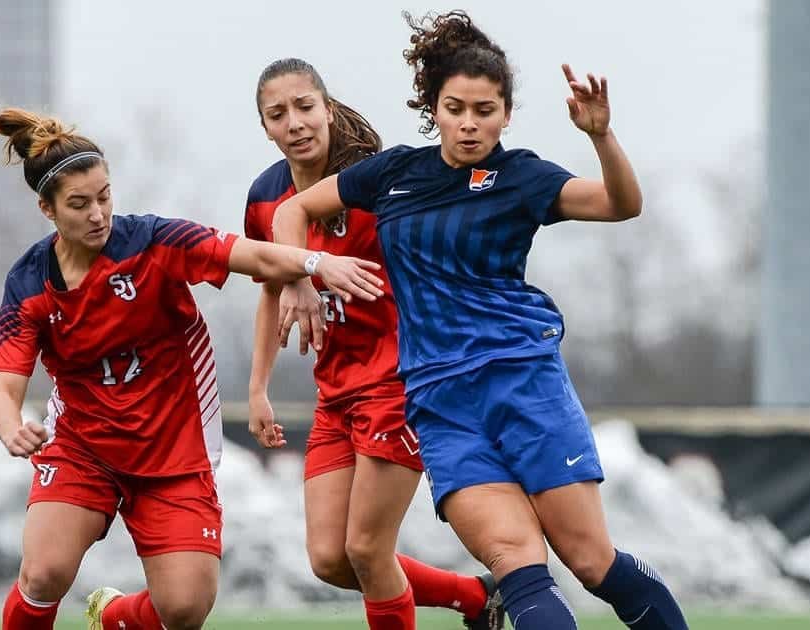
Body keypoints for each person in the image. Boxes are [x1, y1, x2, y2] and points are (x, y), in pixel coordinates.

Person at [271, 11, 690, 630]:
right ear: (433, 109)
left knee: (590, 559)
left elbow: (621, 205)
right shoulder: (395, 174)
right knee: (516, 561)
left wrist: (601, 136)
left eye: (485, 110)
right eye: (456, 107)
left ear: (507, 114)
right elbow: (295, 209)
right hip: (440, 403)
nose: (470, 123)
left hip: (525, 383)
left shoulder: (522, 177)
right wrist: (299, 276)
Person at [0, 105, 383, 630]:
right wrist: (12, 428)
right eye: (79, 205)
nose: (99, 214)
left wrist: (313, 263)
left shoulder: (152, 241)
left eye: (104, 197)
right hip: (84, 446)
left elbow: (252, 256)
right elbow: (3, 388)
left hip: (173, 448)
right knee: (43, 573)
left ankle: (113, 618)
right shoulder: (31, 281)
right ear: (48, 210)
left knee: (185, 607)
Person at [244, 58, 504, 630]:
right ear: (264, 127)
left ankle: (480, 597)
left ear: (329, 109)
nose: (295, 123)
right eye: (277, 114)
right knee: (331, 559)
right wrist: (258, 386)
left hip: (396, 382)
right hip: (334, 393)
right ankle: (476, 597)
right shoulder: (266, 197)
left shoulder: (373, 184)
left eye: (306, 106)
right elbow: (269, 286)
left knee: (365, 549)